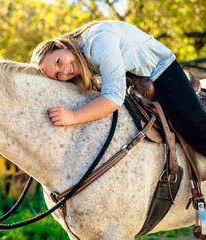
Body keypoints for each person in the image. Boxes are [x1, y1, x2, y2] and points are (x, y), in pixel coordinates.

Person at [31, 20, 206, 156]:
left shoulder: (97, 43)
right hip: (137, 77)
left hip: (161, 69)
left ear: (60, 46)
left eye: (58, 62)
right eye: (56, 75)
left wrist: (73, 116)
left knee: (196, 129)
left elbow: (113, 98)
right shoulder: (81, 53)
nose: (63, 71)